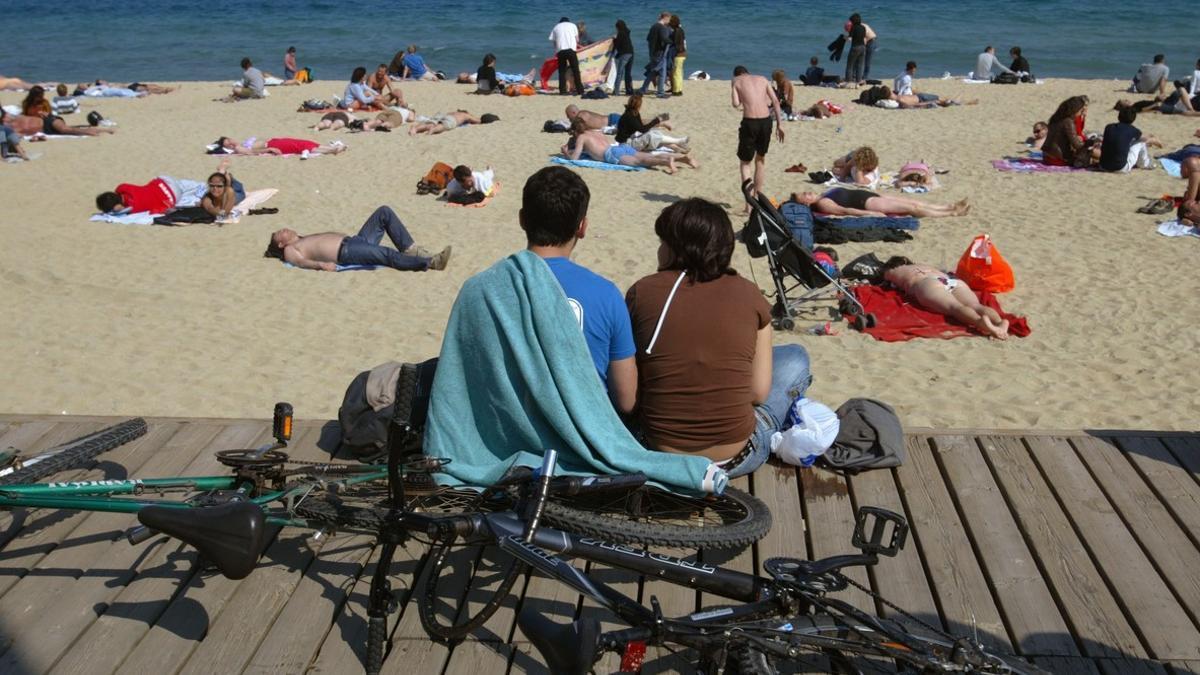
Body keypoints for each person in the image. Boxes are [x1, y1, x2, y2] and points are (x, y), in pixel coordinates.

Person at [625, 198, 812, 476]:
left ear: (678, 249)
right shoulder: (749, 294)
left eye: (663, 242)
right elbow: (758, 393)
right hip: (735, 456)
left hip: (659, 451)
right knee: (795, 357)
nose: (659, 250)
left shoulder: (642, 292)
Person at [518, 166, 637, 412]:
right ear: (582, 228)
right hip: (581, 436)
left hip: (504, 436)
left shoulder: (483, 288)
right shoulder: (606, 295)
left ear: (522, 219)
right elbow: (626, 401)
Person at [264, 207, 450, 272]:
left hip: (355, 241)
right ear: (281, 244)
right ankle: (430, 263)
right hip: (346, 252)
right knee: (386, 254)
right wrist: (321, 266)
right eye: (280, 233)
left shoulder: (303, 238)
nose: (283, 229)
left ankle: (410, 249)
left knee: (383, 212)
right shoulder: (290, 250)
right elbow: (301, 262)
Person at [881, 257, 1009, 339]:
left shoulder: (891, 271)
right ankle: (999, 323)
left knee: (955, 307)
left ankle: (981, 323)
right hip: (949, 280)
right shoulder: (924, 264)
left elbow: (886, 280)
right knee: (976, 306)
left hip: (927, 283)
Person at [732, 65, 785, 206]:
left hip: (750, 122)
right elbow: (775, 101)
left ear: (737, 75)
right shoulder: (762, 79)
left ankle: (748, 205)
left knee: (745, 163)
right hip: (766, 121)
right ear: (748, 72)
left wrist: (738, 92)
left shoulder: (737, 81)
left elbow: (735, 104)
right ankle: (757, 199)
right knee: (760, 160)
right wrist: (780, 124)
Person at [563, 118, 695, 173]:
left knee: (641, 161)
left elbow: (575, 158)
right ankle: (683, 159)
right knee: (645, 155)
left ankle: (667, 162)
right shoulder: (594, 132)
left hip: (611, 154)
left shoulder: (582, 137)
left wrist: (565, 153)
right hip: (619, 147)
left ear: (575, 130)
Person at [94, 162, 232, 213]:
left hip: (171, 196)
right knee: (198, 185)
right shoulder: (124, 188)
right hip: (164, 181)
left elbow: (156, 210)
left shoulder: (134, 208)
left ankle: (221, 176)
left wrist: (120, 210)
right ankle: (221, 173)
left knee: (197, 195)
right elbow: (120, 187)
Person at [790, 188, 969, 218]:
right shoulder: (823, 204)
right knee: (912, 208)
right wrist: (869, 213)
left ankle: (949, 206)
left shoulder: (823, 194)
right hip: (868, 203)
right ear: (807, 204)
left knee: (914, 201)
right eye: (804, 196)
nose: (806, 192)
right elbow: (845, 211)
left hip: (870, 195)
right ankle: (951, 213)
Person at [23, 86, 115, 137]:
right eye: (40, 96)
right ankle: (101, 130)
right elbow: (26, 116)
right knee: (68, 130)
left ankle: (95, 131)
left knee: (65, 129)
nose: (42, 97)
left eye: (42, 95)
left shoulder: (44, 102)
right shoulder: (27, 104)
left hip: (50, 121)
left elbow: (51, 114)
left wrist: (45, 114)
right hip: (44, 127)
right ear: (34, 96)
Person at [1099, 108, 1161, 173]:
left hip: (1103, 166)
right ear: (1133, 119)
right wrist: (1154, 140)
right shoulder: (1132, 130)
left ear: (1119, 116)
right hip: (1120, 168)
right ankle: (1145, 164)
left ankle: (1143, 163)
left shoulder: (1109, 127)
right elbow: (1144, 139)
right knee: (1141, 143)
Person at [1042, 96, 1094, 167]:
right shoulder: (1068, 122)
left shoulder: (1056, 118)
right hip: (1059, 159)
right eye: (1080, 111)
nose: (1080, 114)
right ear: (1075, 110)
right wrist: (1091, 143)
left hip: (1046, 156)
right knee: (1093, 154)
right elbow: (1077, 145)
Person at [639, 12, 673, 98]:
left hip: (652, 52)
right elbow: (664, 39)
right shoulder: (662, 28)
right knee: (662, 73)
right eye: (669, 19)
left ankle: (643, 89)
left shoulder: (653, 26)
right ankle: (660, 93)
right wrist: (673, 42)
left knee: (653, 72)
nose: (669, 22)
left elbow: (648, 39)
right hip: (660, 53)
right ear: (665, 18)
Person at [210, 136, 345, 156]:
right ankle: (332, 149)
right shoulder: (238, 148)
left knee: (303, 143)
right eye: (227, 143)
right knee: (299, 147)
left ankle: (331, 148)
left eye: (228, 139)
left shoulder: (240, 143)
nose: (230, 141)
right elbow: (251, 152)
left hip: (276, 142)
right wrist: (268, 149)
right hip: (274, 146)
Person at [549, 16, 583, 95]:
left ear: (560, 22)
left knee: (561, 71)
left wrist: (556, 51)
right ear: (568, 21)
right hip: (571, 50)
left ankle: (562, 91)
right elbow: (577, 40)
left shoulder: (556, 27)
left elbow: (554, 42)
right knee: (575, 71)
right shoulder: (573, 25)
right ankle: (580, 90)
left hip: (560, 51)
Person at [844, 14, 868, 85]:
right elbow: (863, 37)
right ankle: (858, 81)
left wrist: (845, 37)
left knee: (850, 65)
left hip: (855, 47)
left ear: (853, 21)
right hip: (863, 47)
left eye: (851, 21)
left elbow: (850, 39)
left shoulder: (853, 27)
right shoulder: (863, 27)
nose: (850, 22)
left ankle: (848, 81)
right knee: (860, 65)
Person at [613, 20, 635, 96]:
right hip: (631, 53)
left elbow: (617, 45)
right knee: (628, 73)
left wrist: (614, 39)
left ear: (618, 27)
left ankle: (616, 91)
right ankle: (629, 91)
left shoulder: (620, 33)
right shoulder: (627, 32)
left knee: (619, 73)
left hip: (625, 54)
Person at [669, 14, 686, 96]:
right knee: (679, 73)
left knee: (676, 73)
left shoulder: (676, 31)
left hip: (678, 54)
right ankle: (679, 89)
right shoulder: (681, 30)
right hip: (683, 53)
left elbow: (675, 43)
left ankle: (676, 91)